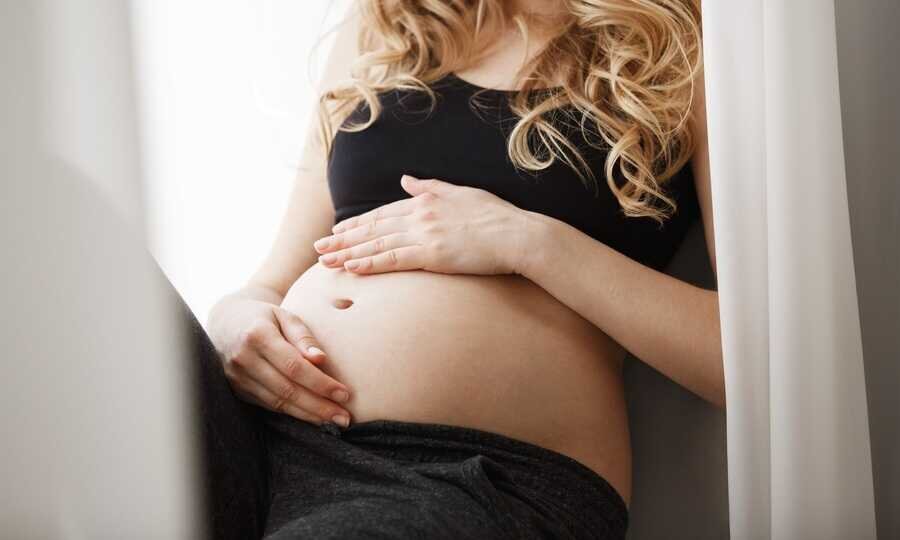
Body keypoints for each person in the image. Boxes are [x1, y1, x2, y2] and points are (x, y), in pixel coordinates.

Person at [199, 0, 721, 538]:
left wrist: (530, 242)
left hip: (472, 473)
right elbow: (273, 279)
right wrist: (233, 321)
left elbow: (753, 360)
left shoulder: (684, 39)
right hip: (263, 427)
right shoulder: (388, 22)